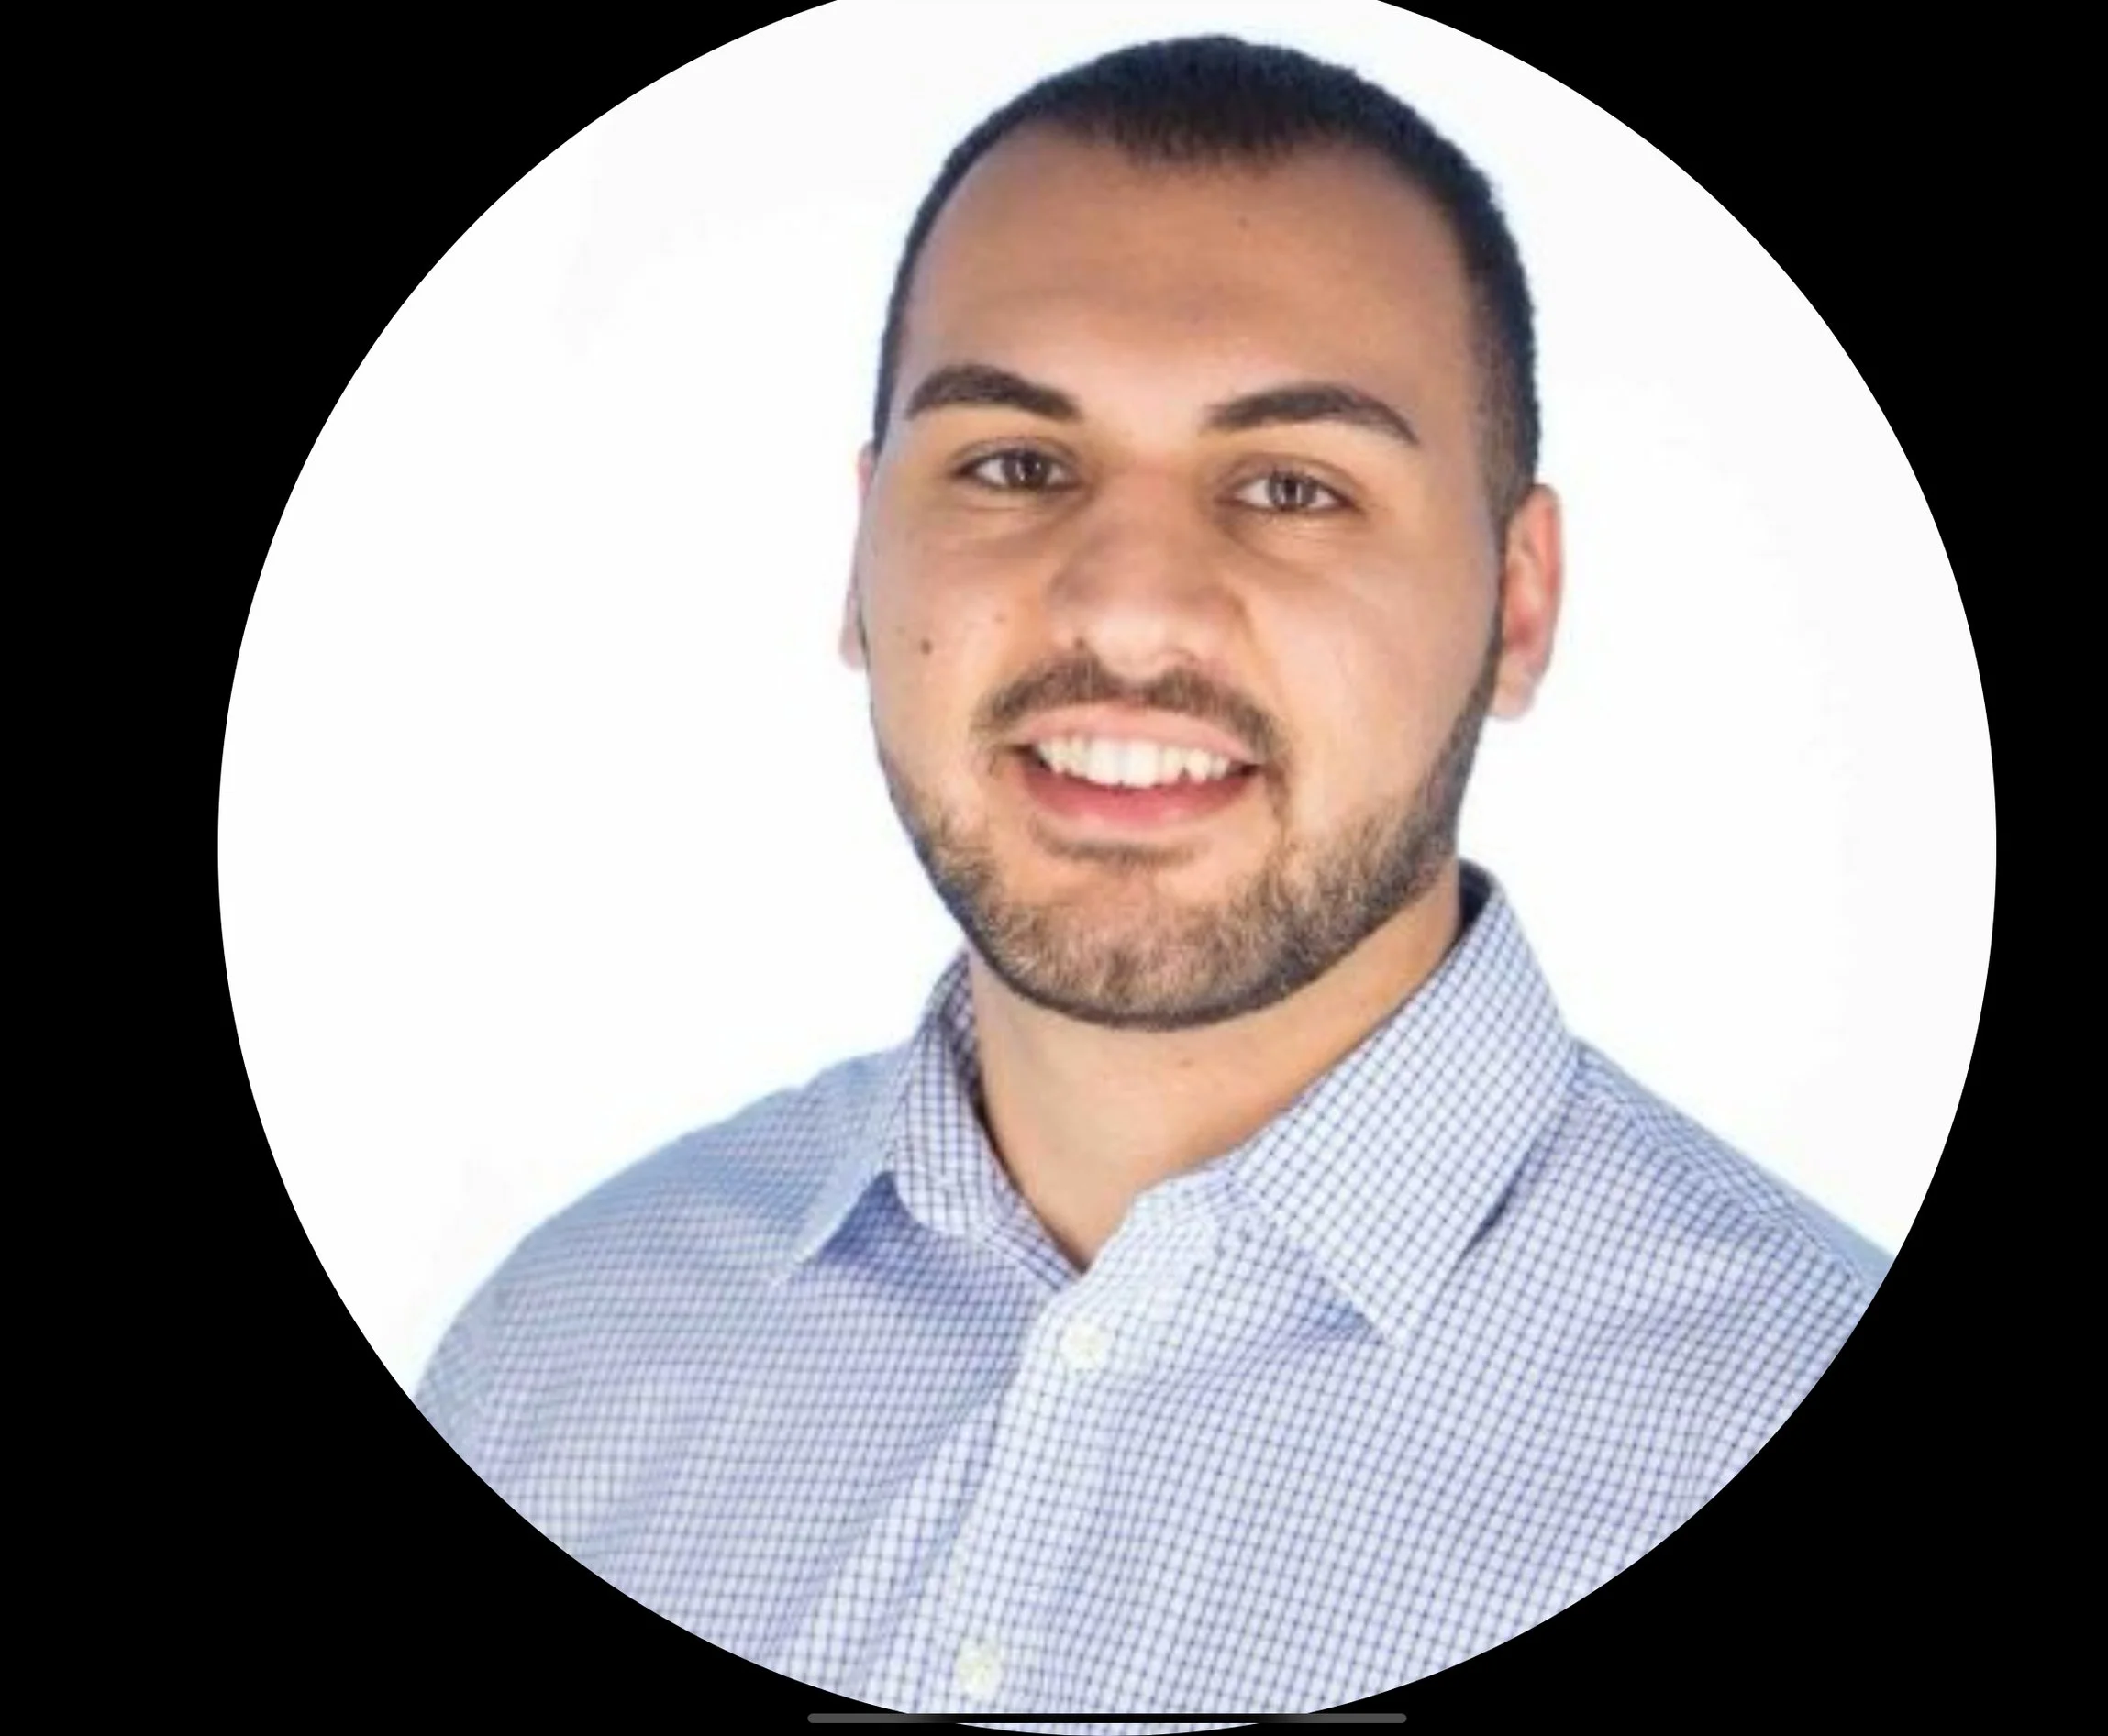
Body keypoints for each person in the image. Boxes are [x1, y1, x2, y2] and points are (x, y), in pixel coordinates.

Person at [417, 33, 1891, 1721]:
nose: (1128, 610)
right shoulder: (550, 1367)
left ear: (1520, 601)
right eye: (1015, 467)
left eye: (1290, 488)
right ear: (860, 549)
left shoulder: (1770, 1395)